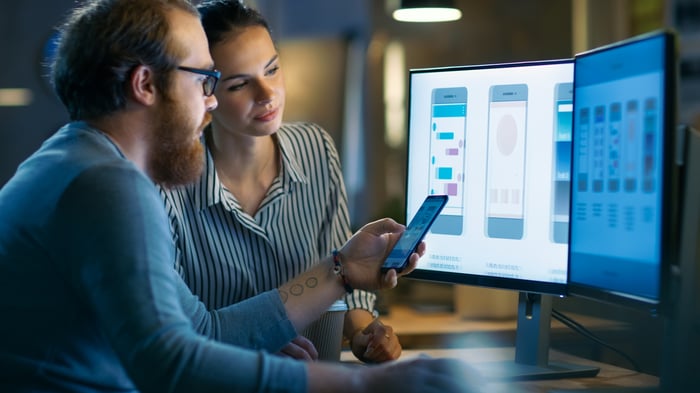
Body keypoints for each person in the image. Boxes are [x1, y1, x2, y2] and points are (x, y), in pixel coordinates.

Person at [0, 0, 483, 392]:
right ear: (146, 84)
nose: (210, 100)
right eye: (206, 79)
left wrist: (341, 270)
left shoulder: (72, 161)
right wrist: (365, 388)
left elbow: (203, 332)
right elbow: (173, 366)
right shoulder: (107, 184)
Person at [159, 0, 399, 363]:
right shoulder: (170, 183)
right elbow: (170, 330)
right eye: (240, 85)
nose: (267, 94)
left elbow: (344, 278)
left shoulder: (316, 148)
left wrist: (366, 332)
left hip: (318, 380)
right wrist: (247, 343)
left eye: (272, 70)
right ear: (206, 93)